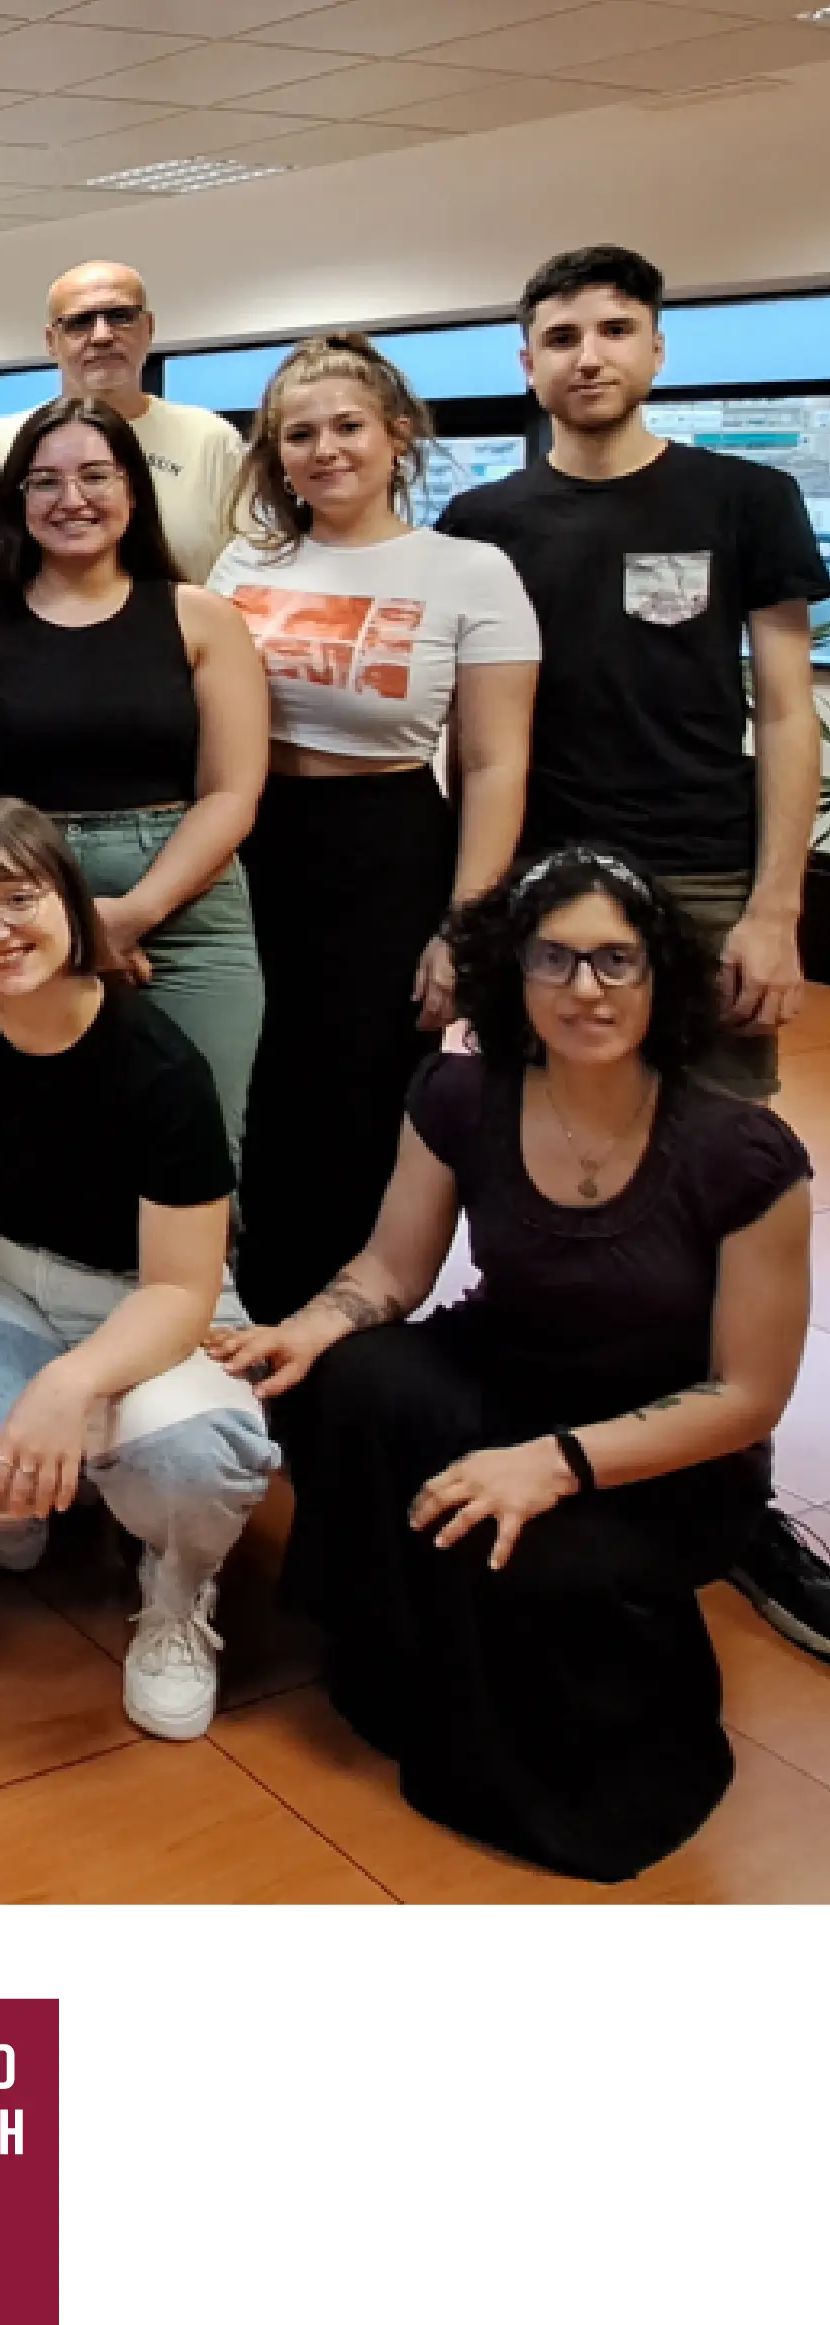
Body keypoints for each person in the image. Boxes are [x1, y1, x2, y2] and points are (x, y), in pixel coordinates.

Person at [216, 850, 810, 1883]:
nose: (586, 989)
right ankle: (396, 1672)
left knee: (538, 1559)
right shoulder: (460, 1095)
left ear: (660, 974)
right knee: (349, 1381)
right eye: (555, 958)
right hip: (509, 1373)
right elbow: (391, 1270)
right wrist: (306, 1327)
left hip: (660, 1452)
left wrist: (555, 1463)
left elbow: (745, 1399)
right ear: (513, 974)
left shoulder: (743, 1154)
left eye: (616, 960)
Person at [440, 244, 830, 1658]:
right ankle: (568, 1433)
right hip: (543, 894)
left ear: (657, 350)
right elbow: (472, 737)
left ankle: (732, 1494)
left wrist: (775, 908)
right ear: (526, 363)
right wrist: (474, 915)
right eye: (560, 335)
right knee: (551, 1164)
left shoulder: (741, 500)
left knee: (720, 1176)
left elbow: (784, 711)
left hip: (703, 878)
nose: (587, 354)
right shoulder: (482, 522)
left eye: (613, 330)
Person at [0, 801, 278, 1741]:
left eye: (17, 898)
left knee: (195, 1462)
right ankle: (38, 1494)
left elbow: (180, 1290)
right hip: (6, 1277)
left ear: (69, 899)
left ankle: (176, 1588)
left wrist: (72, 1382)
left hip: (146, 1301)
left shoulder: (158, 1069)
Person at [210, 333, 539, 1321]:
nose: (325, 450)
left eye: (347, 426)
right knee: (249, 1085)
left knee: (357, 1101)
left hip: (385, 850)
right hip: (249, 840)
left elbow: (494, 764)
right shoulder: (243, 561)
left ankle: (334, 1328)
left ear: (398, 436)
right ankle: (236, 1313)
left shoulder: (469, 571)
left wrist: (465, 925)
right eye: (298, 434)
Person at [0, 398, 270, 1160]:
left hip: (187, 903)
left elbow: (231, 791)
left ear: (133, 491)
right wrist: (72, 921)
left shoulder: (202, 617)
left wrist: (133, 915)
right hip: (19, 905)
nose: (70, 499)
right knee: (58, 1155)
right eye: (44, 481)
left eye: (94, 476)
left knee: (200, 1151)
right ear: (18, 500)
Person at [0, 263, 243, 584]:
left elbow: (249, 571)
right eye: (79, 322)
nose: (102, 336)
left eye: (120, 316)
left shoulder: (211, 440)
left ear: (148, 328)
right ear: (51, 341)